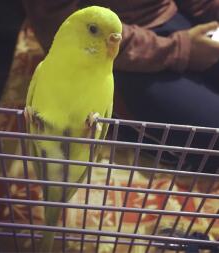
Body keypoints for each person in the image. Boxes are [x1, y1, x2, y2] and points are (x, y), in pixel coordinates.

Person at [22, 0, 219, 174]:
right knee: (212, 141)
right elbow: (57, 23)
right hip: (109, 54)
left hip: (170, 18)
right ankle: (125, 126)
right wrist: (179, 49)